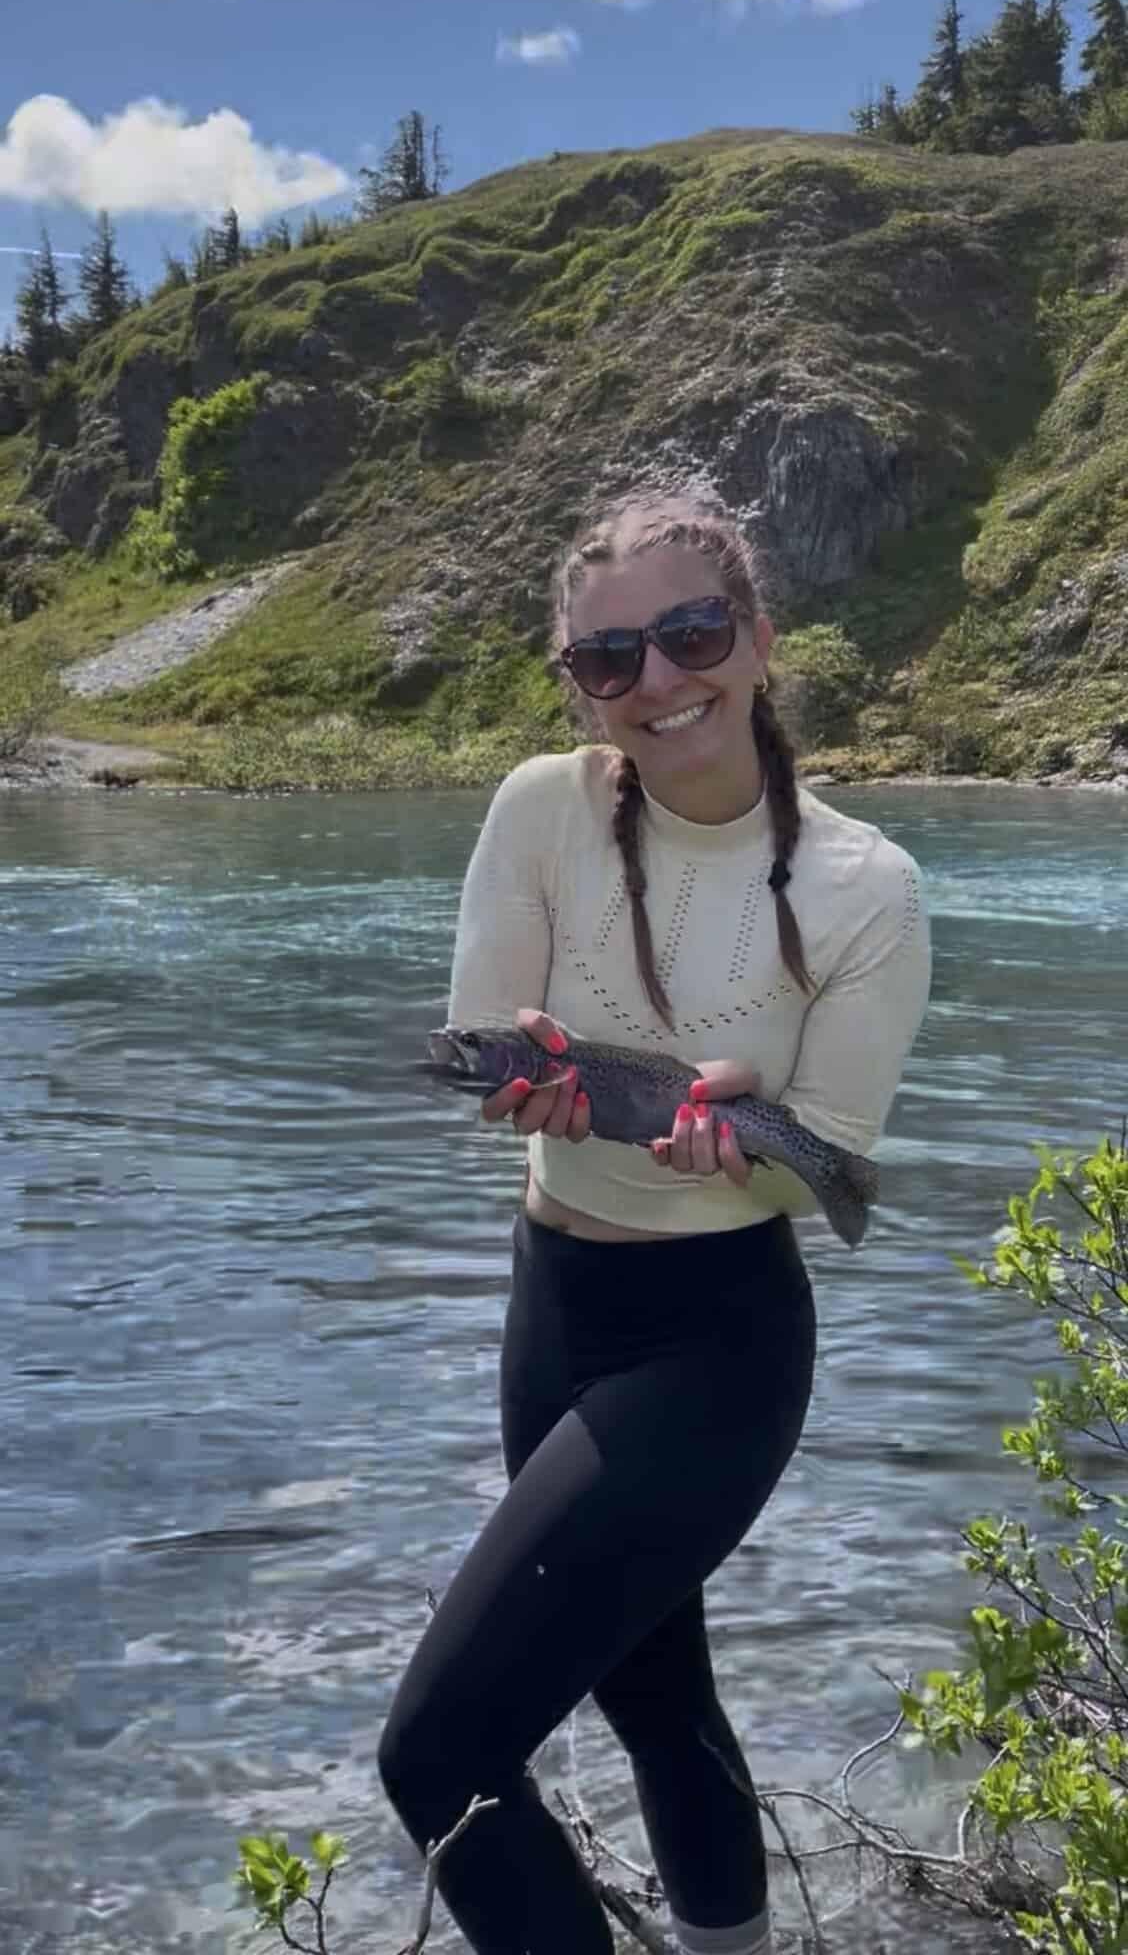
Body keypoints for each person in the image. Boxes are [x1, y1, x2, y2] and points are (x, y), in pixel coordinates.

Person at [378, 495, 932, 1955]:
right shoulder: (539, 807)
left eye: (692, 633)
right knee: (654, 1687)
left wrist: (740, 1145)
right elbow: (488, 1039)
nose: (659, 679)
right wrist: (530, 1086)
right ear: (576, 681)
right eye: (609, 657)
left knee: (436, 1753)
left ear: (758, 638)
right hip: (552, 1300)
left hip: (718, 1339)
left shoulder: (868, 887)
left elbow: (826, 1162)